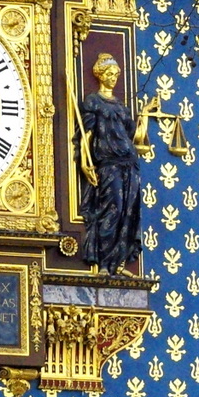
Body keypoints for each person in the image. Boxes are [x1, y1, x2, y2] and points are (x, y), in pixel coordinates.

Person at [77, 53, 144, 275]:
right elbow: (87, 134)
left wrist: (144, 115)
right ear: (100, 75)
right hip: (108, 163)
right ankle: (105, 263)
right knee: (111, 209)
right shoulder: (93, 102)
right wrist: (86, 163)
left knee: (128, 212)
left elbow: (134, 138)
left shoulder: (122, 107)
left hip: (129, 163)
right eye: (110, 73)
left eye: (116, 74)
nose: (113, 78)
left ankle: (119, 263)